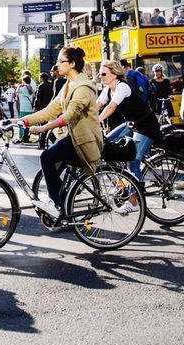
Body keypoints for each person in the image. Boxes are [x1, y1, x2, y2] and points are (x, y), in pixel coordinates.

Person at [19, 47, 102, 219]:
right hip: (71, 137)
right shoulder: (67, 85)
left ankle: (58, 204)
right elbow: (49, 110)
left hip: (84, 140)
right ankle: (62, 203)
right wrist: (20, 121)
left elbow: (70, 114)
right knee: (52, 164)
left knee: (47, 157)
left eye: (60, 61)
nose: (56, 65)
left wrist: (43, 128)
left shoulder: (83, 86)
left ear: (72, 64)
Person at [98, 61, 161, 182]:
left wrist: (96, 121)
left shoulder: (122, 86)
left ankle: (134, 197)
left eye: (103, 74)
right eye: (100, 74)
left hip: (145, 125)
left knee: (133, 160)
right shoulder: (108, 89)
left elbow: (111, 107)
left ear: (114, 74)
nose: (100, 77)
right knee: (107, 144)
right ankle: (123, 184)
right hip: (131, 124)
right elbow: (97, 105)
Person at [34, 71, 55, 147]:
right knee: (44, 124)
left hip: (41, 107)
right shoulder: (51, 85)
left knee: (42, 125)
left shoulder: (41, 86)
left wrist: (35, 106)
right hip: (49, 107)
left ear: (42, 78)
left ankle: (44, 142)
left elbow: (38, 97)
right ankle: (48, 140)